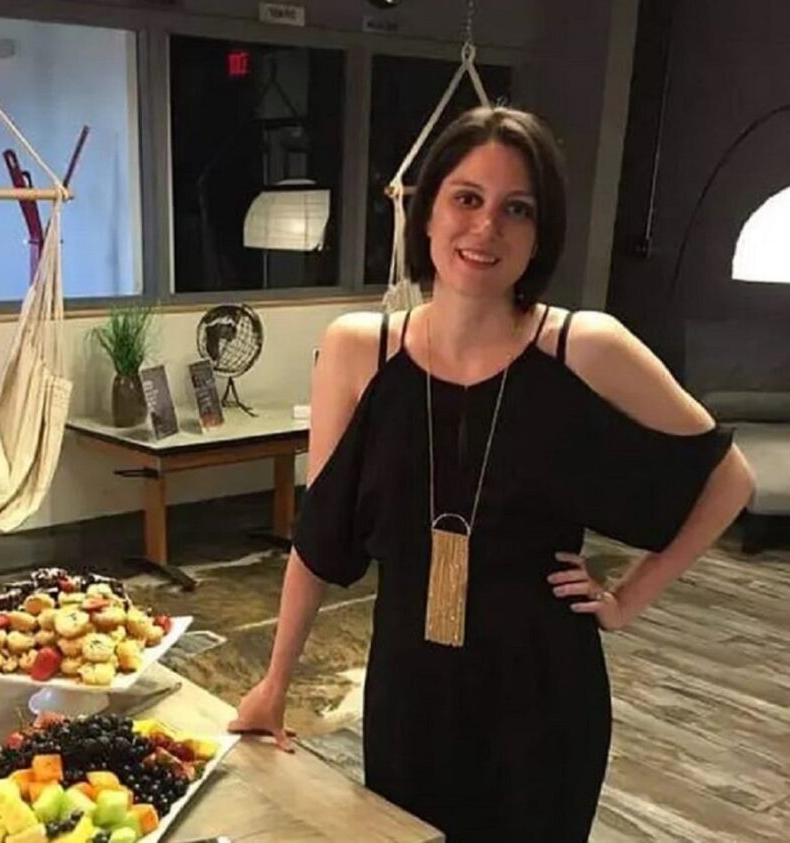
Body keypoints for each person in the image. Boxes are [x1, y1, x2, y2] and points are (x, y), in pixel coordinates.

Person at [228, 106, 755, 840]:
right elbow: (318, 540)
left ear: (541, 234)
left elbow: (729, 478)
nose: (486, 228)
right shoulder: (357, 351)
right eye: (467, 198)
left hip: (543, 695)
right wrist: (274, 683)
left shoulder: (585, 347)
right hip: (410, 691)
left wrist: (628, 599)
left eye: (517, 209)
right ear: (427, 213)